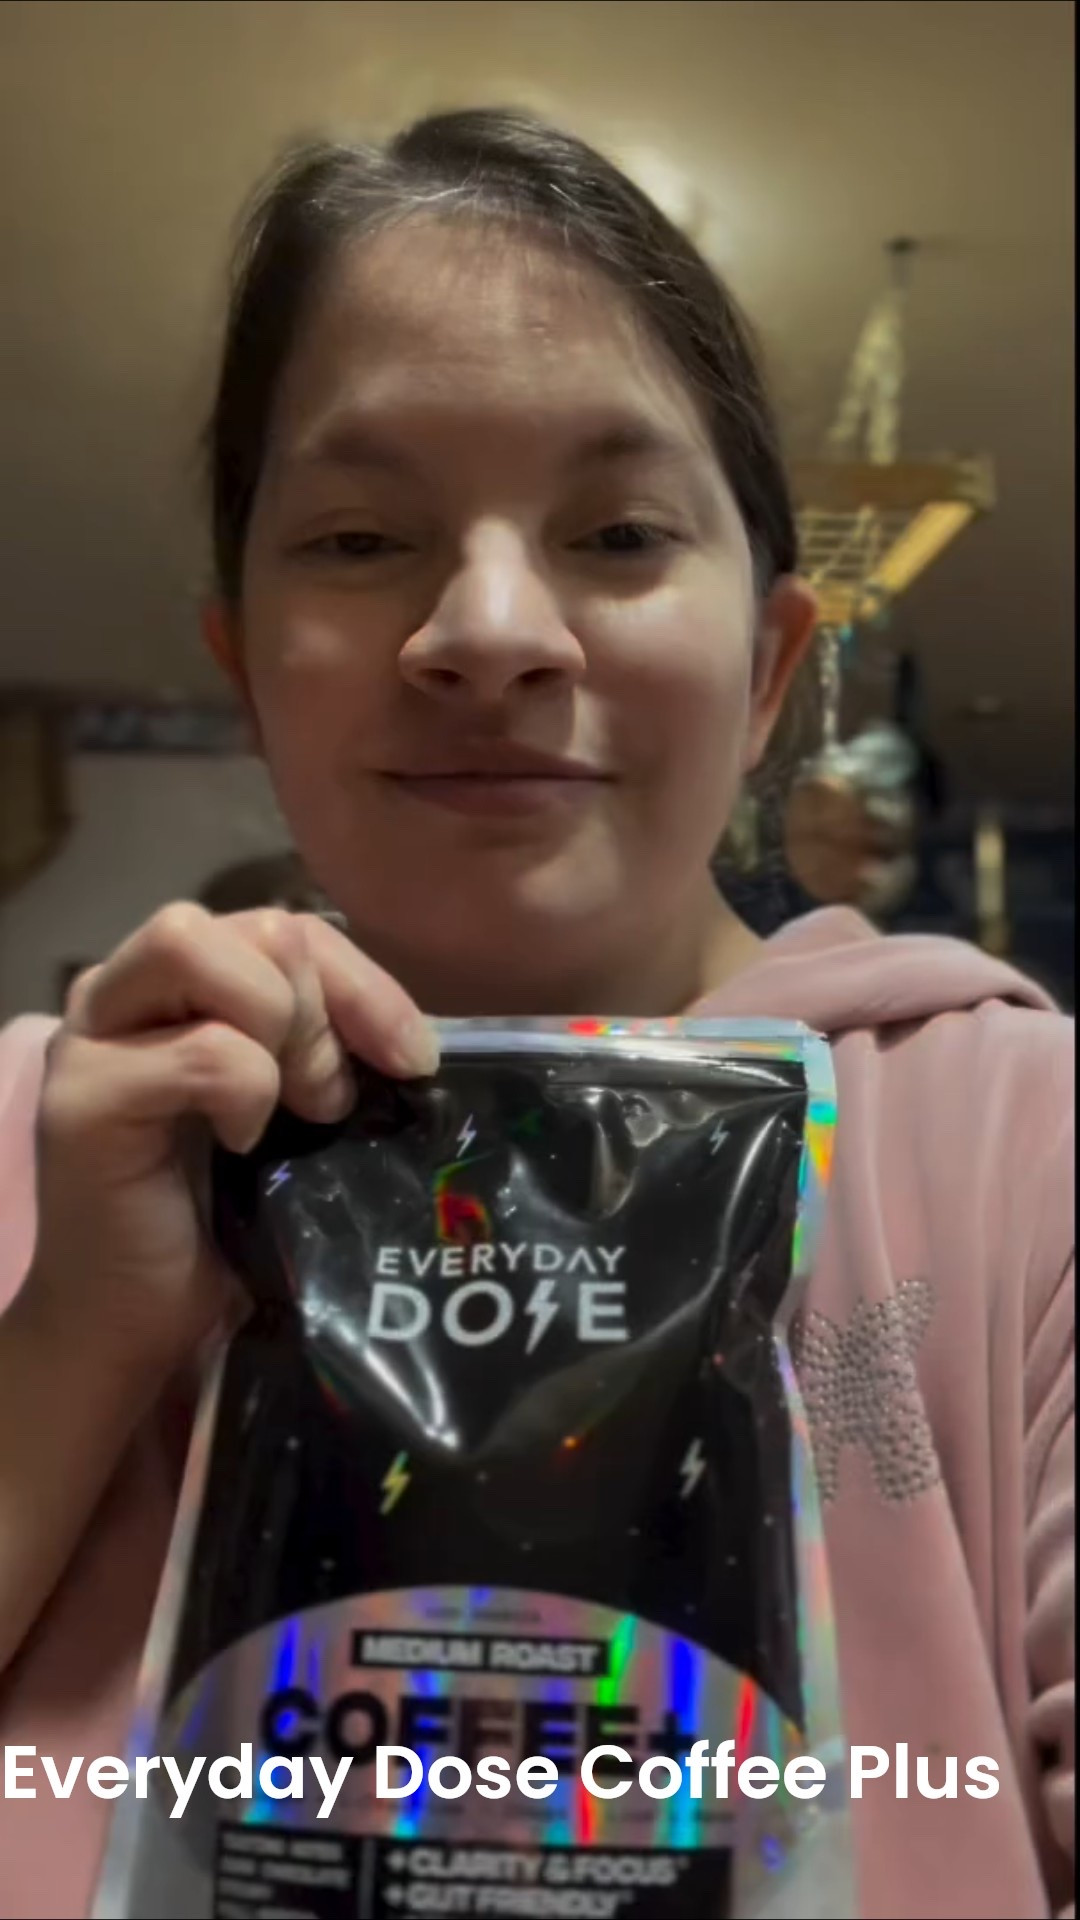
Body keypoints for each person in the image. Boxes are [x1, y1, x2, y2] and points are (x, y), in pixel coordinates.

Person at [0, 110, 1071, 1920]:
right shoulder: (50, 1137)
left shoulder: (1025, 1148)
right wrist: (76, 1338)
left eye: (622, 531)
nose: (491, 631)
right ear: (246, 666)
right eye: (359, 534)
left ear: (770, 671)